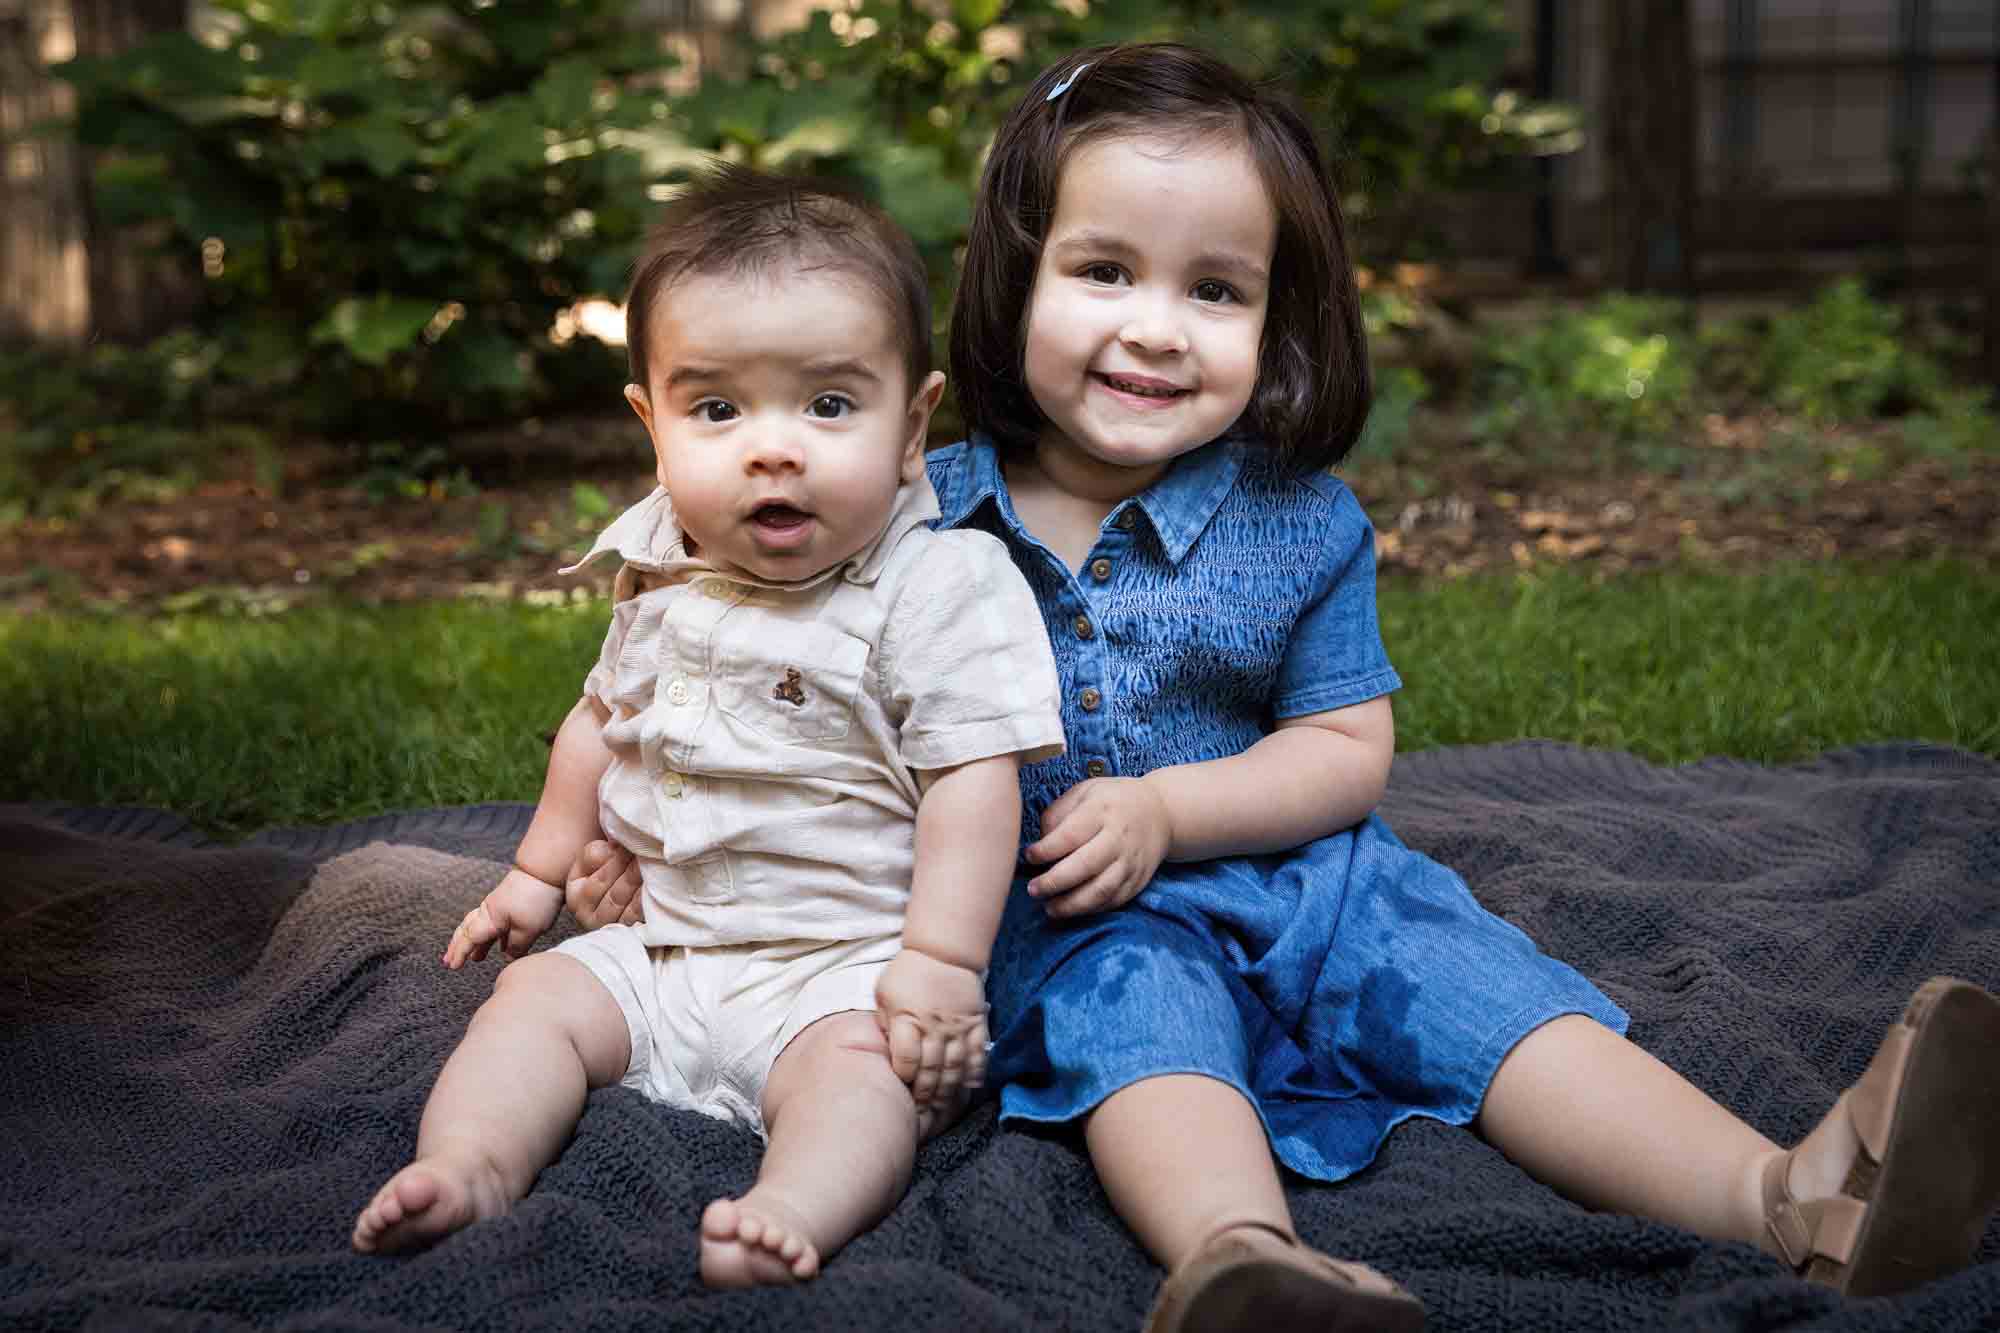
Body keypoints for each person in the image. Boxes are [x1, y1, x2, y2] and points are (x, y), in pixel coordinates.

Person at [570, 45, 2000, 1330]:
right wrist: (646, 834)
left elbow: (1345, 748)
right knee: (1145, 1024)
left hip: (1299, 872)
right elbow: (741, 676)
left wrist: (1179, 810)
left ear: (1281, 317)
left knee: (1476, 986)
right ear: (1016, 275)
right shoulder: (910, 508)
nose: (1154, 328)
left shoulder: (1297, 521)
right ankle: (1248, 1261)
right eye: (1105, 271)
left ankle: (1787, 1193)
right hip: (1068, 913)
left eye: (1216, 290)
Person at [351, 165, 1065, 1289]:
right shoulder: (658, 562)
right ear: (652, 421)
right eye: (717, 409)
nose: (770, 448)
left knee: (863, 1081)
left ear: (913, 421)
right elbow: (597, 721)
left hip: (841, 970)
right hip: (667, 950)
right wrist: (538, 875)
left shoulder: (935, 586)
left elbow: (973, 782)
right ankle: (472, 1163)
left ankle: (791, 1208)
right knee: (531, 1001)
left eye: (828, 405)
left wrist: (937, 962)